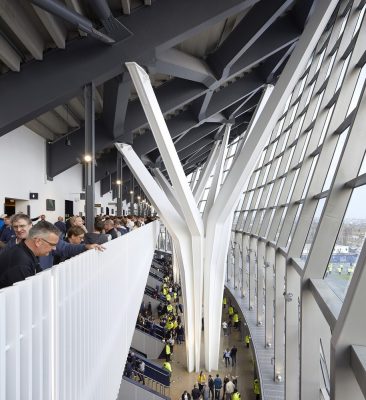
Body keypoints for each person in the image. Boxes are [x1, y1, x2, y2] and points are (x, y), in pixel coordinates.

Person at [0, 221, 60, 288]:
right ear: (38, 241)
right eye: (52, 244)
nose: (54, 248)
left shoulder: (25, 251)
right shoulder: (21, 263)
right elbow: (25, 295)